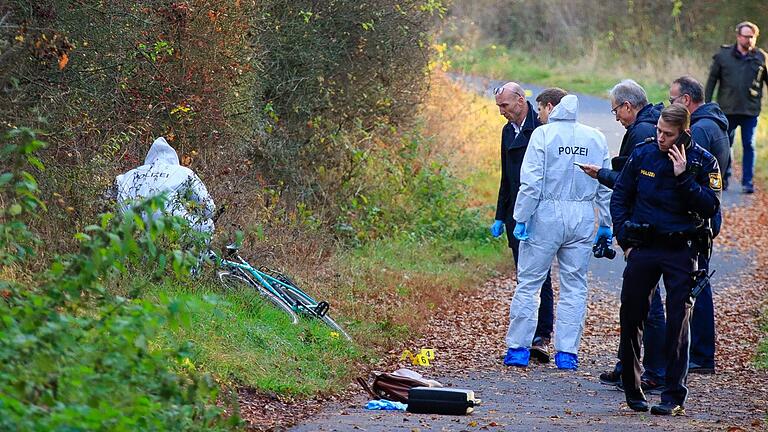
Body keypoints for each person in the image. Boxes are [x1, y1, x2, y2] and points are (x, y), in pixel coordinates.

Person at [612, 104, 721, 416]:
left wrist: (684, 177)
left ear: (684, 133)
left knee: (678, 322)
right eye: (658, 130)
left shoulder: (702, 161)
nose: (660, 137)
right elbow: (620, 196)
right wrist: (624, 241)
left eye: (668, 134)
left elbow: (711, 207)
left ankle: (673, 395)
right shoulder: (644, 153)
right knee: (632, 316)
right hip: (643, 246)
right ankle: (633, 391)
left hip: (681, 249)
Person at [504, 94, 612, 370]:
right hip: (583, 216)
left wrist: (521, 217)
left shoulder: (543, 135)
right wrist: (606, 224)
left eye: (540, 108)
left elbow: (531, 183)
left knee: (529, 282)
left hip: (546, 215)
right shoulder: (595, 137)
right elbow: (606, 183)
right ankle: (567, 353)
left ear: (552, 109)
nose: (539, 112)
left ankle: (518, 348)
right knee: (575, 286)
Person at [580, 79, 666, 392]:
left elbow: (633, 183)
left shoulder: (642, 133)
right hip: (641, 227)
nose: (615, 116)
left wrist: (600, 173)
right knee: (633, 303)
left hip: (644, 230)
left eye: (616, 110)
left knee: (648, 304)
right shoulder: (645, 128)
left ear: (628, 106)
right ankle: (627, 365)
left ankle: (654, 370)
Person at [490, 83, 561, 363]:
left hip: (539, 212)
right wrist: (499, 216)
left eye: (505, 106)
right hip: (514, 213)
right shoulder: (508, 132)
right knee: (524, 276)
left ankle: (541, 336)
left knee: (539, 276)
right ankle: (526, 333)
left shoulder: (541, 128)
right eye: (498, 107)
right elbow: (506, 178)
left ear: (520, 100)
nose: (502, 112)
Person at [670, 75, 729, 374]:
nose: (669, 105)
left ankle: (702, 355)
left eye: (672, 100)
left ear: (686, 100)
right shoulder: (714, 123)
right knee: (697, 282)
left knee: (697, 285)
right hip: (705, 214)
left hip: (699, 218)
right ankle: (699, 353)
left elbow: (693, 175)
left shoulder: (702, 130)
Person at [705, 21, 767, 194]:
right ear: (738, 36)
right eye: (746, 36)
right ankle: (724, 177)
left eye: (752, 37)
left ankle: (747, 182)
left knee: (749, 145)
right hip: (727, 109)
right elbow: (711, 81)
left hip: (750, 110)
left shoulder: (761, 57)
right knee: (725, 144)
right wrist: (707, 105)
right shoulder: (723, 56)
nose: (749, 40)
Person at [115, 136, 215, 240]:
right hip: (167, 228)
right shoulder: (183, 172)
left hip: (129, 230)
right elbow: (209, 209)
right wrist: (190, 209)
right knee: (207, 225)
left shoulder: (129, 174)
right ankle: (198, 256)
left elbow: (107, 198)